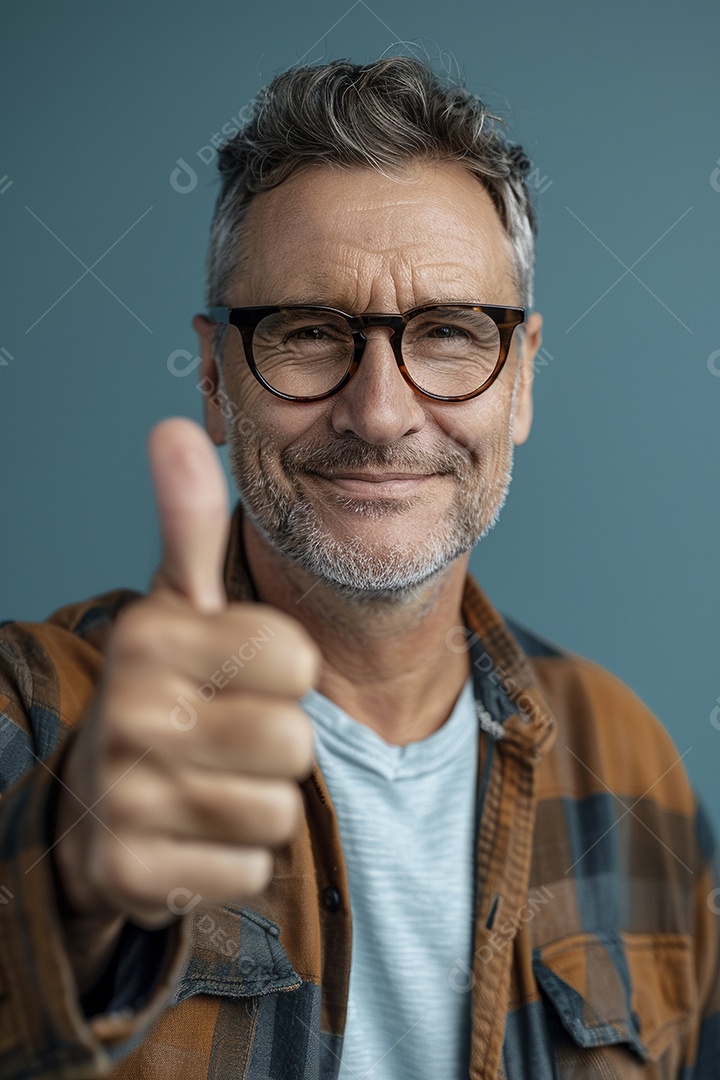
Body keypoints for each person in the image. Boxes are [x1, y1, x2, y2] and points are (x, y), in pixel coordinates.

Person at [0, 57, 717, 1080]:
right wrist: (69, 901)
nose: (380, 414)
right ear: (214, 379)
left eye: (449, 332)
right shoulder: (29, 715)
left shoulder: (631, 767)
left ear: (520, 381)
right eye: (308, 333)